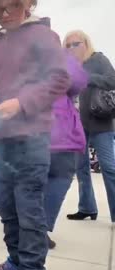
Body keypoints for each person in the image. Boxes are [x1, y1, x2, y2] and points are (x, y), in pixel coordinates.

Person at [0, 1, 70, 269]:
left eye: (12, 6)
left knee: (29, 211)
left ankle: (32, 265)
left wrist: (20, 103)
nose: (5, 14)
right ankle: (16, 261)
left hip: (32, 139)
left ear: (28, 4)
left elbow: (59, 79)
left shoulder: (44, 36)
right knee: (7, 211)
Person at [64, 30, 115, 222]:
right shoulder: (68, 66)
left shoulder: (98, 59)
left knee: (109, 168)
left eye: (75, 44)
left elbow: (113, 80)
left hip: (101, 122)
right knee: (81, 168)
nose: (71, 48)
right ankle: (86, 208)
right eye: (67, 45)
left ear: (86, 43)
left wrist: (87, 77)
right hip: (78, 124)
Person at [44, 52, 88, 249]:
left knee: (33, 182)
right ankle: (39, 229)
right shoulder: (58, 55)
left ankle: (30, 229)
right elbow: (79, 82)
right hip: (59, 132)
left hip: (28, 130)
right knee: (59, 178)